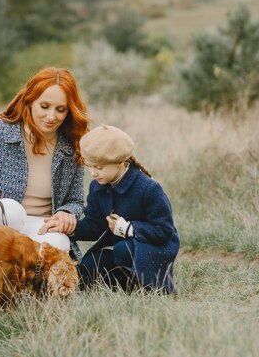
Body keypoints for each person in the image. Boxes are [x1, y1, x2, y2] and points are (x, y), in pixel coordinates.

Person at [0, 67, 89, 258]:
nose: (52, 117)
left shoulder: (72, 144)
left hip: (41, 225)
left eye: (60, 110)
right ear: (30, 100)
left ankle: (30, 281)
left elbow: (75, 201)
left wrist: (66, 213)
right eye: (44, 106)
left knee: (59, 242)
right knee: (11, 210)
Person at [57, 125, 180, 293]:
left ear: (120, 163)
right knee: (86, 268)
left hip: (152, 249)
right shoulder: (97, 186)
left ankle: (148, 287)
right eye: (89, 166)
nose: (93, 173)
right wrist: (69, 228)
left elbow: (165, 231)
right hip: (119, 249)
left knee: (123, 250)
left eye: (99, 167)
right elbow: (94, 226)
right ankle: (122, 285)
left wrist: (129, 229)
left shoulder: (149, 188)